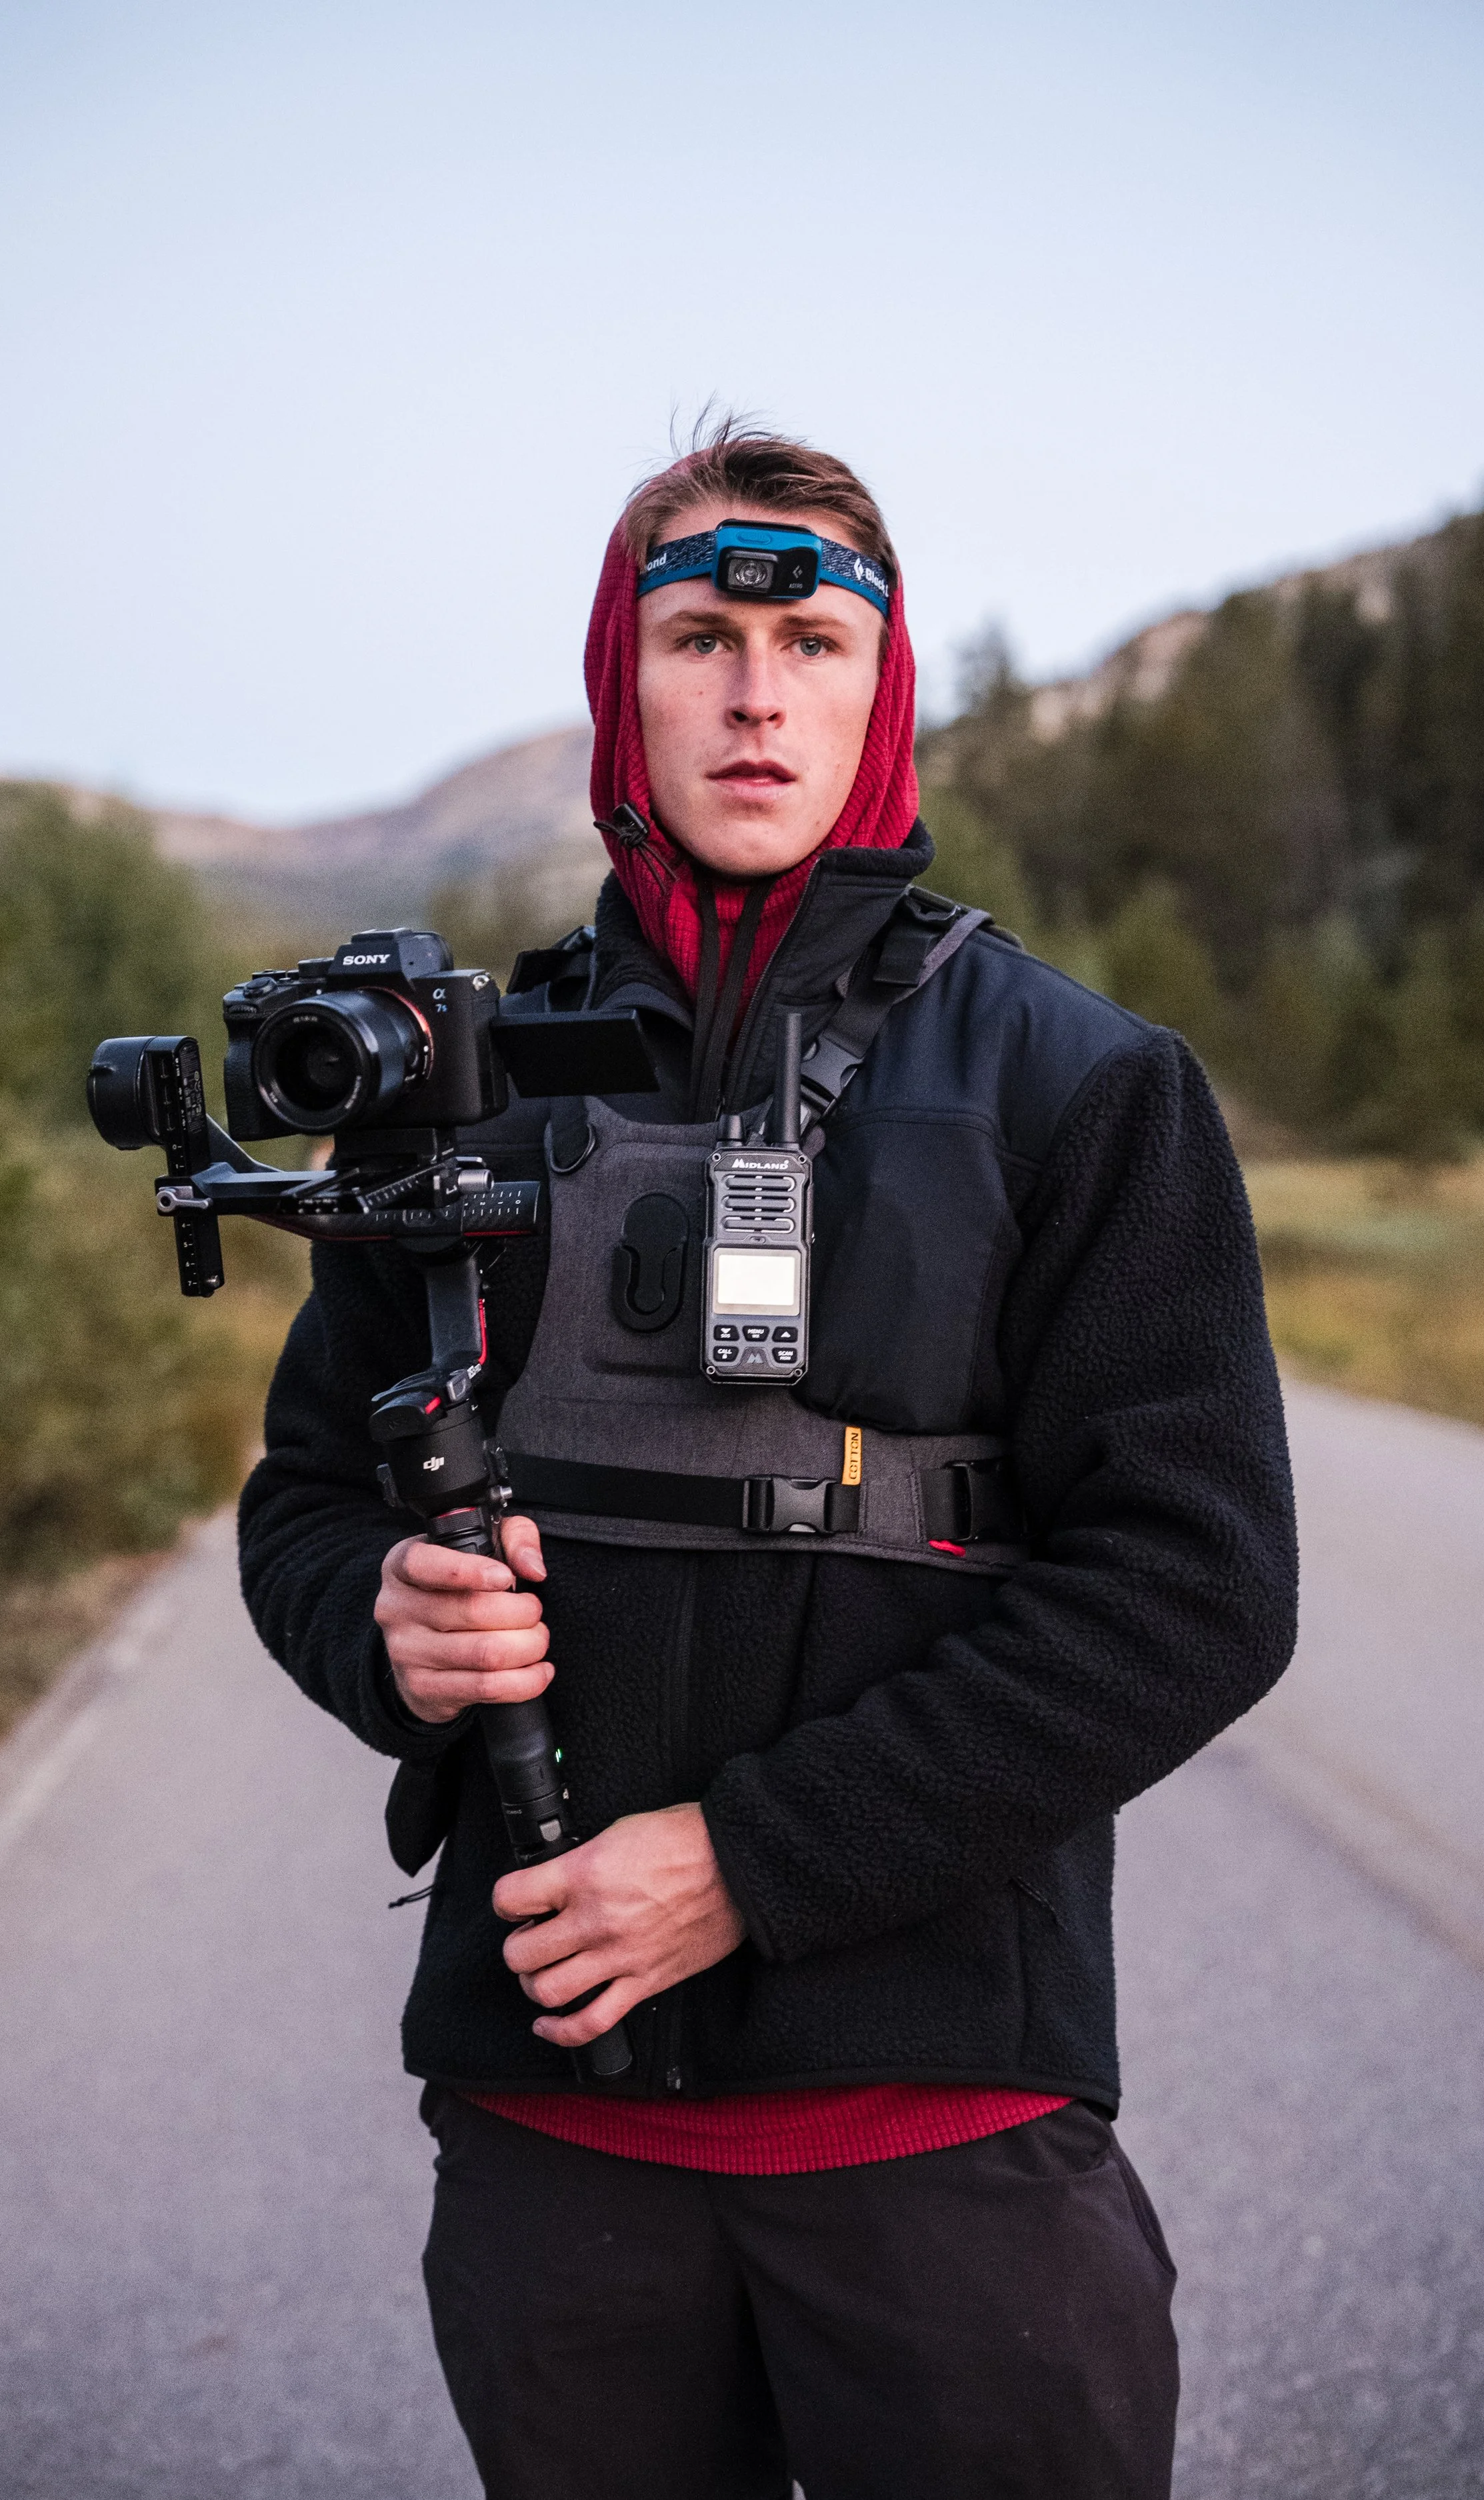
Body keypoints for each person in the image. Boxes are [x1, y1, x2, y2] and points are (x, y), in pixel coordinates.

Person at [239, 419, 1299, 2499]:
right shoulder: (452, 1094)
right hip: (552, 2143)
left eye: (811, 643)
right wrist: (380, 1622)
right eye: (699, 639)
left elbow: (1197, 1588)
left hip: (944, 2139)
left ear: (878, 690)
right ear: (617, 681)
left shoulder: (1081, 1086)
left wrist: (749, 1862)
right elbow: (301, 1499)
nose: (753, 695)